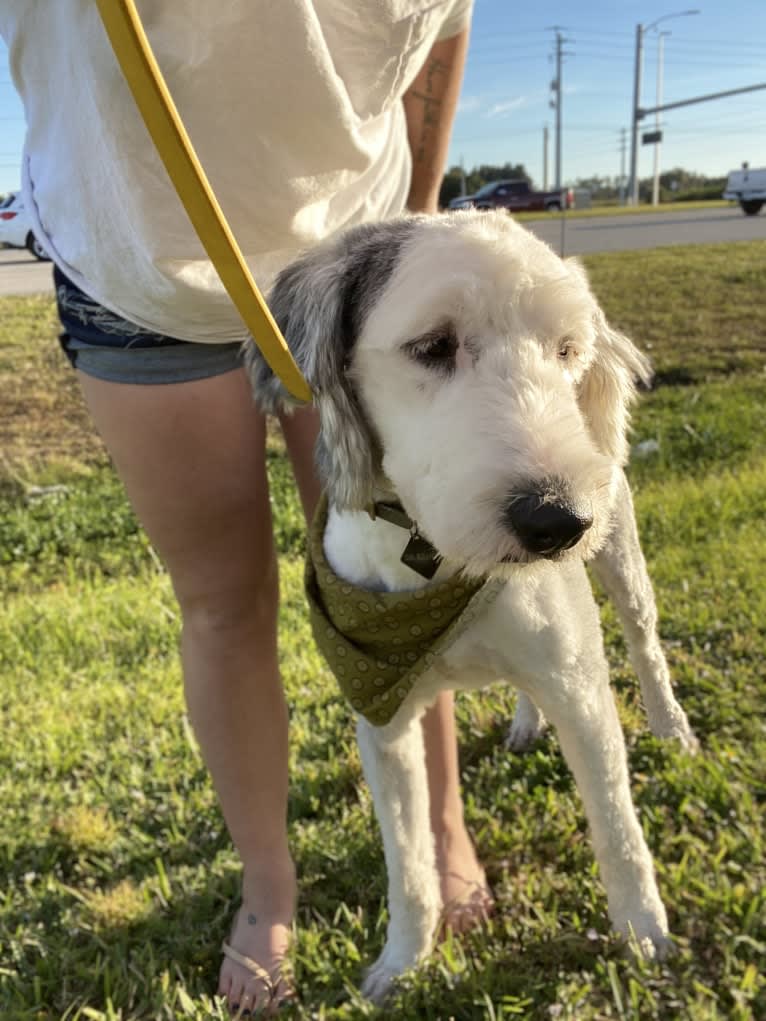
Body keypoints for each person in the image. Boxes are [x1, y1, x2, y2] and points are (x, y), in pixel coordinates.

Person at [1, 1, 486, 1013]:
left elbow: (443, 23)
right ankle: (268, 881)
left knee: (392, 585)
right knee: (223, 603)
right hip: (140, 279)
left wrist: (423, 204)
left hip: (356, 277)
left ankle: (441, 824)